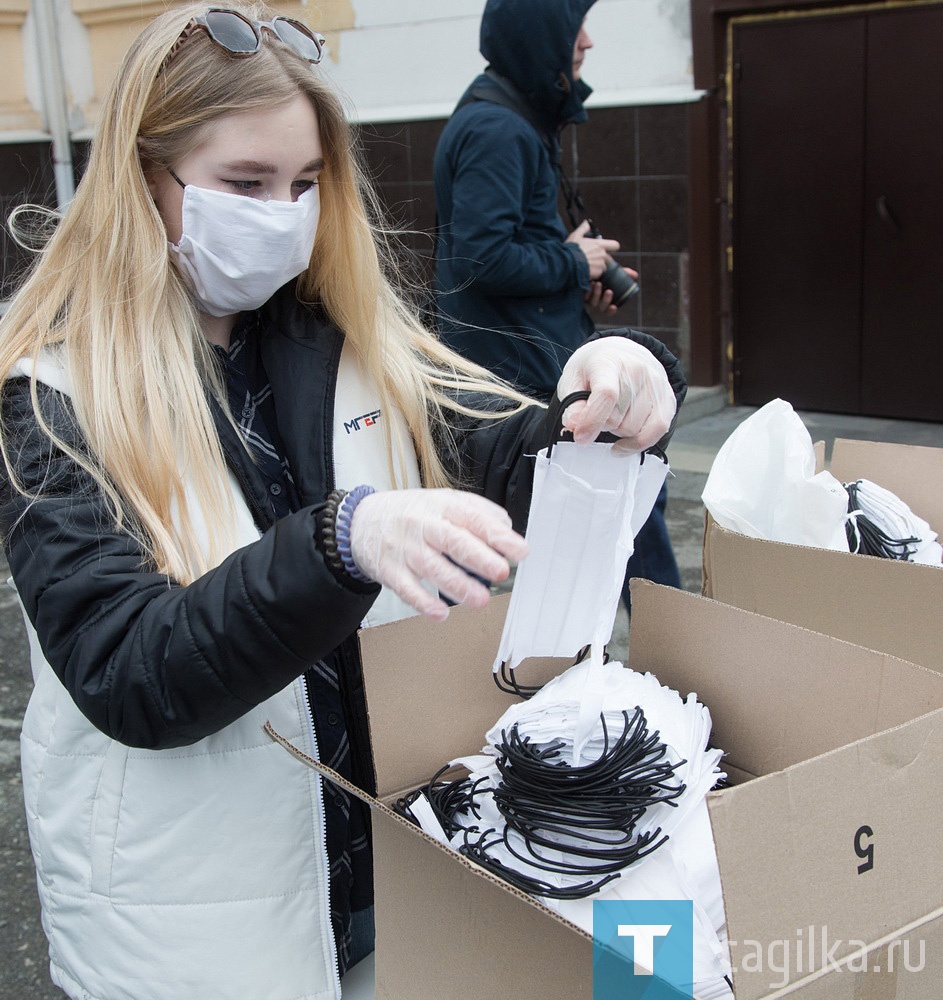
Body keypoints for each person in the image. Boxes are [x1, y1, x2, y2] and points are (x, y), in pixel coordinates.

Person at [0, 4, 686, 999]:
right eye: (245, 184)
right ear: (141, 176)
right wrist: (338, 543)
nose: (282, 214)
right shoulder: (55, 391)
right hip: (188, 913)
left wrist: (612, 395)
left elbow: (501, 462)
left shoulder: (343, 336)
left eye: (306, 184)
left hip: (381, 876)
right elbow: (126, 665)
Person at [432, 0, 683, 607]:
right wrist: (576, 262)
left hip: (522, 357)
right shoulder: (499, 129)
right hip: (517, 370)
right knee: (626, 496)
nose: (588, 42)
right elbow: (481, 261)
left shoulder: (512, 118)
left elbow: (502, 246)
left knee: (595, 511)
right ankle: (677, 657)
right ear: (540, 38)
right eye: (576, 28)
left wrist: (574, 271)